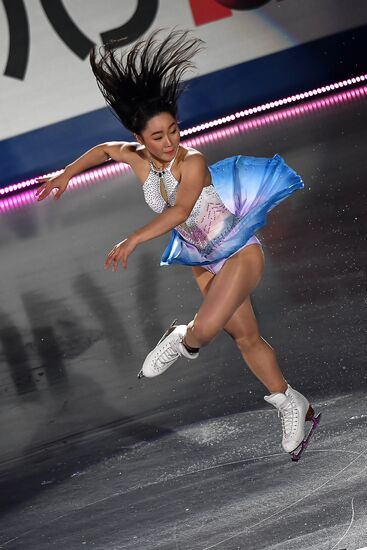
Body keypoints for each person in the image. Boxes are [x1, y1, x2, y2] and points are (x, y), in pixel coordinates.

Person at [34, 28, 320, 460]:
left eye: (173, 131)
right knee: (246, 340)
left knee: (203, 332)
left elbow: (180, 212)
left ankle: (179, 335)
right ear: (141, 138)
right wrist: (67, 173)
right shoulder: (134, 157)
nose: (169, 142)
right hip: (203, 261)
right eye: (157, 137)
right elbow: (104, 150)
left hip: (238, 252)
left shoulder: (194, 161)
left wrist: (135, 237)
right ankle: (291, 402)